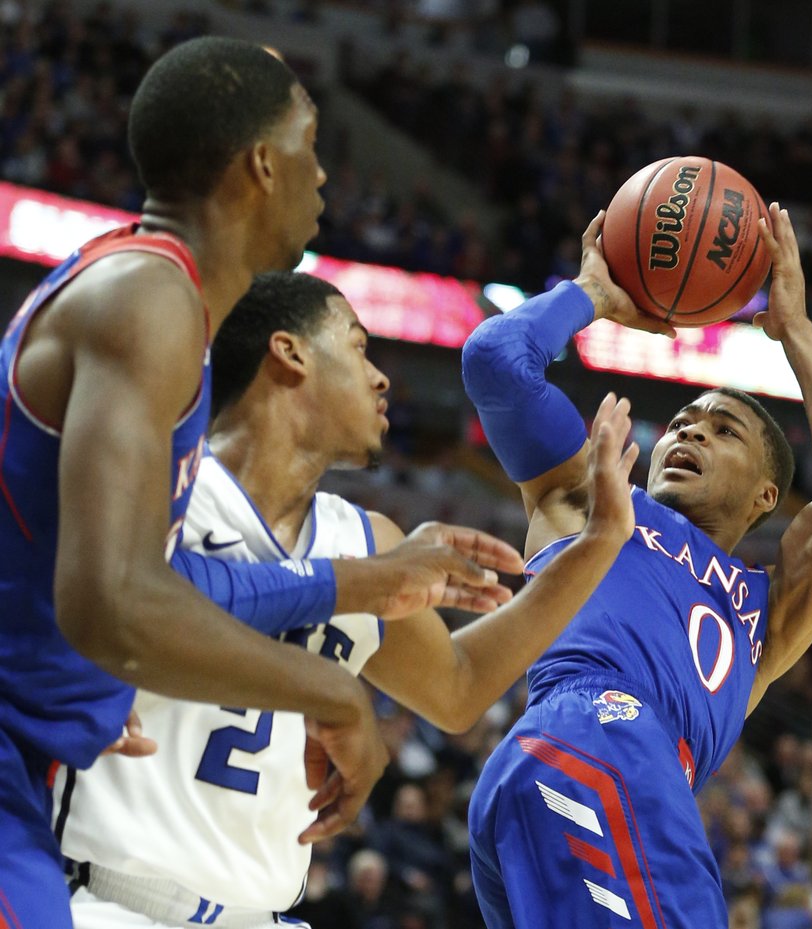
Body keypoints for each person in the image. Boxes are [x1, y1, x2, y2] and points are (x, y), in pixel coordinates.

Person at [0, 37, 527, 929]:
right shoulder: (148, 300)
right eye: (311, 142)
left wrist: (352, 586)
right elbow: (112, 603)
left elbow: (134, 586)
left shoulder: (153, 299)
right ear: (260, 165)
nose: (324, 174)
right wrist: (328, 687)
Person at [55, 270, 639, 927]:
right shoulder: (165, 483)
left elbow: (458, 686)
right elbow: (119, 605)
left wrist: (596, 544)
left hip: (265, 913)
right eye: (359, 347)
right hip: (114, 900)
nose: (383, 377)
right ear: (291, 351)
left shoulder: (366, 540)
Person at [461, 203, 812, 929]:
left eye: (725, 429)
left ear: (767, 493)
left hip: (621, 774)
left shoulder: (769, 613)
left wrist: (796, 330)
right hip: (594, 735)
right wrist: (590, 294)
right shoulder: (594, 498)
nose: (691, 427)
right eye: (687, 419)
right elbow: (495, 361)